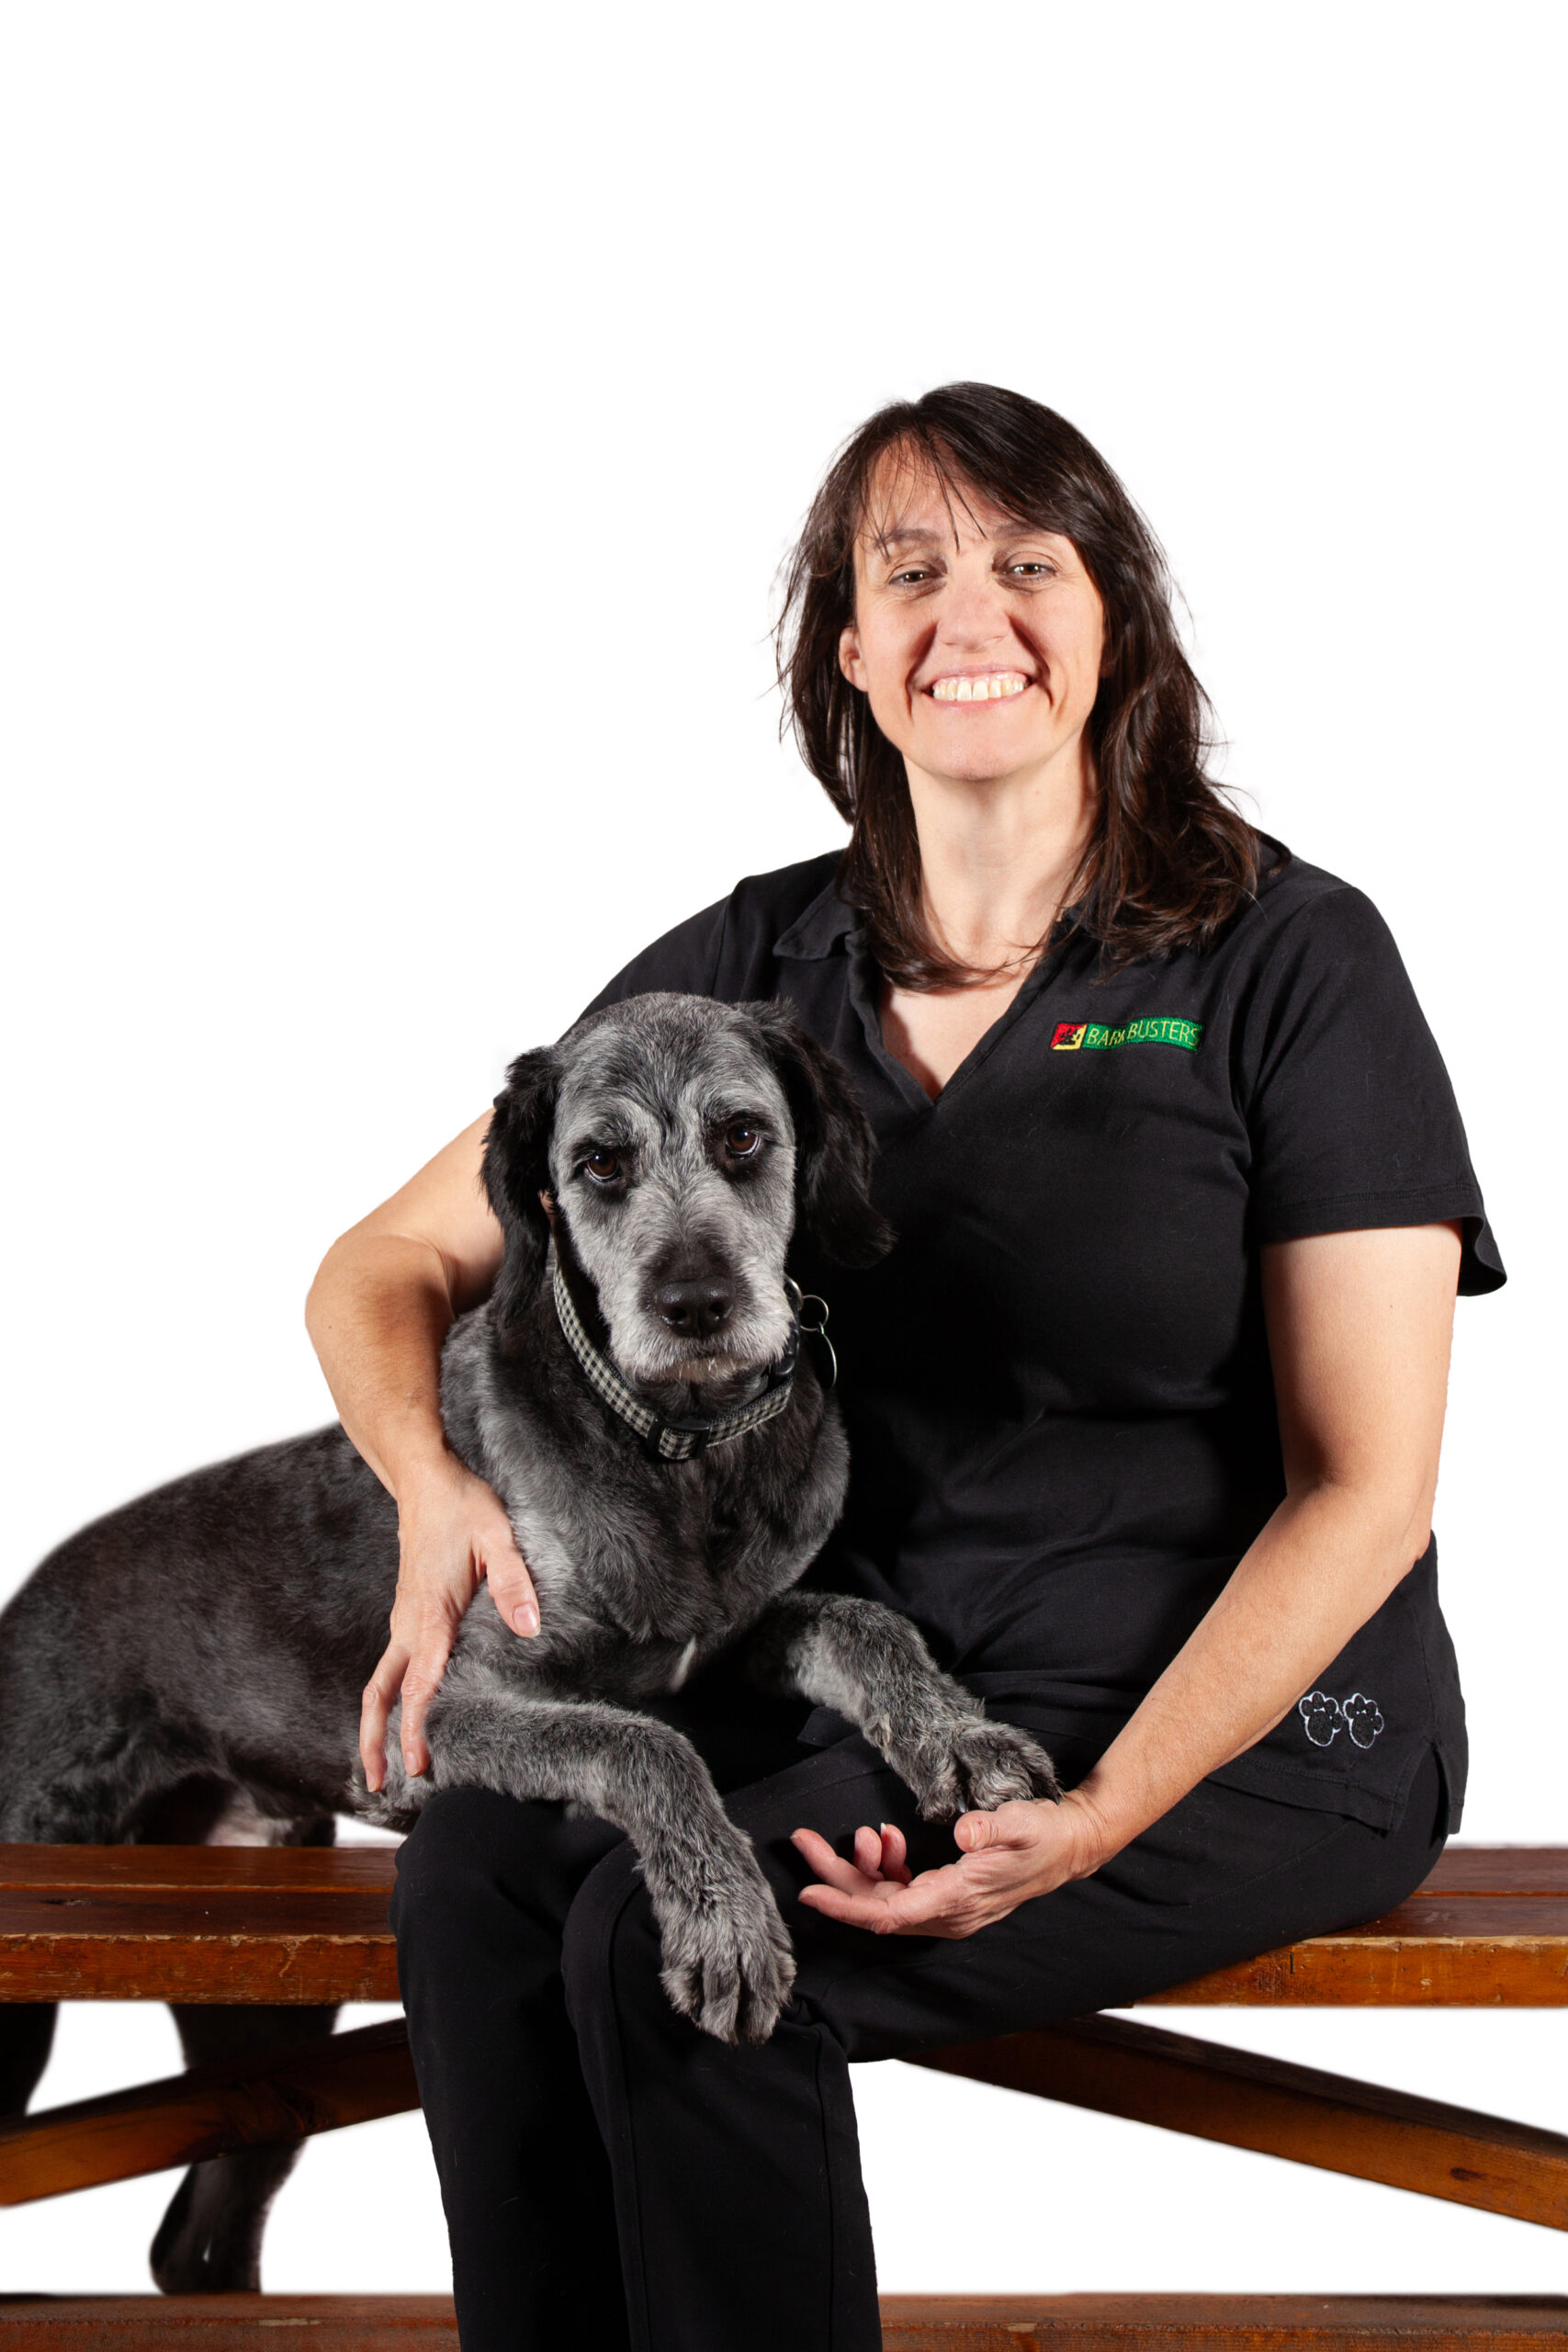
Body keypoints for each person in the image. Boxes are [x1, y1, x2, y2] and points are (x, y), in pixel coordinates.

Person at [306, 384, 1504, 2352]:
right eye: (912, 568)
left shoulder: (1288, 960)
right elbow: (381, 1259)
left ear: (1111, 616)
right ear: (847, 649)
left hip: (1247, 1714)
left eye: (1032, 562)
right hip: (903, 1684)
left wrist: (1104, 1810)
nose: (976, 611)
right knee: (482, 1880)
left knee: (674, 1942)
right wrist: (432, 1492)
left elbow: (1362, 1485)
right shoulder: (758, 968)